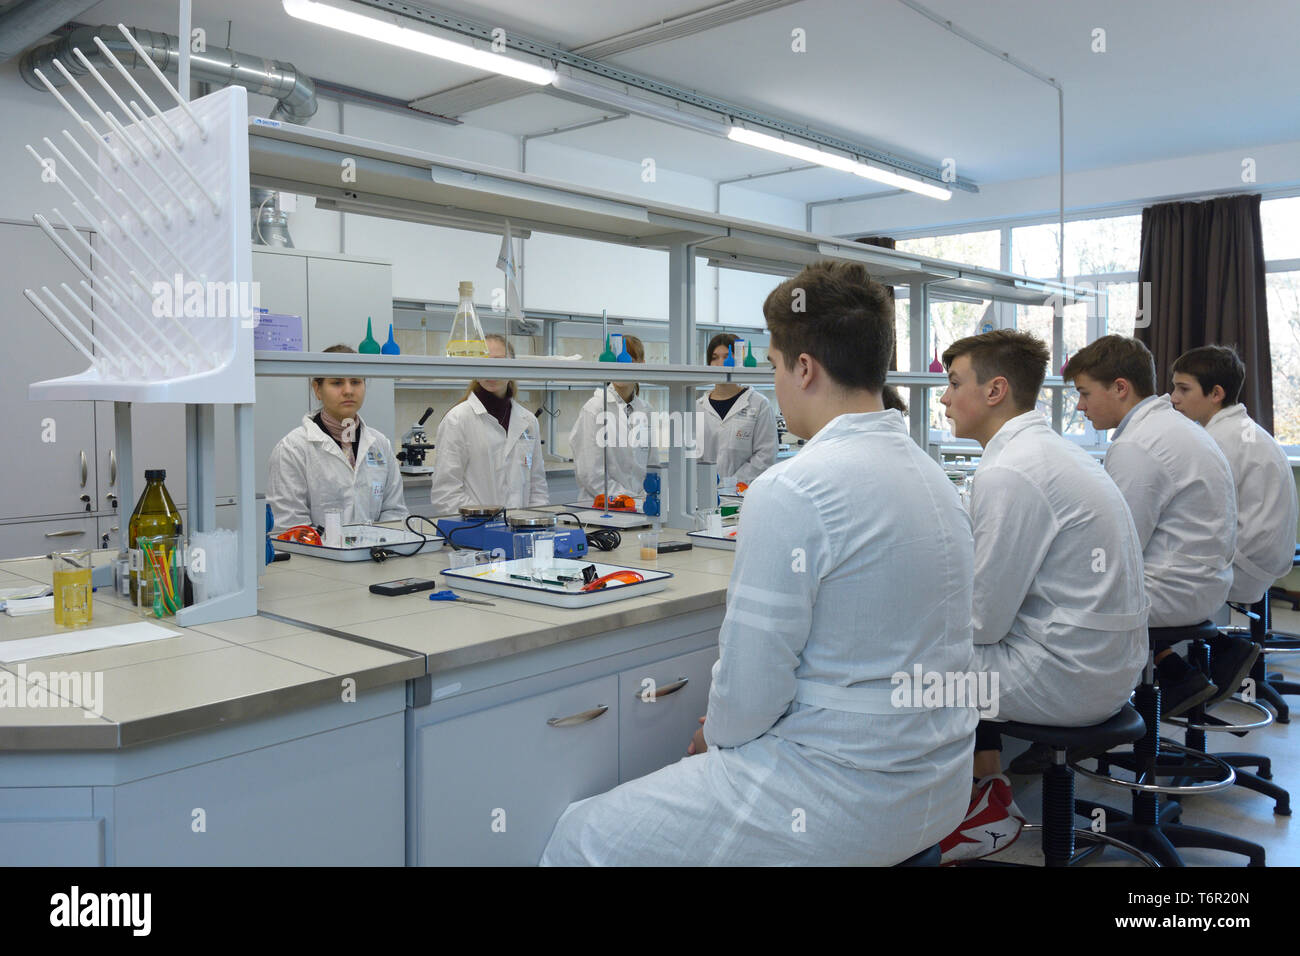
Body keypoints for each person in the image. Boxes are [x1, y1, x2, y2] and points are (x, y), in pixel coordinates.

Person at [541, 261, 977, 866]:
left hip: (841, 795)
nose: (772, 384)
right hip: (936, 786)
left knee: (580, 834)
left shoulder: (794, 489)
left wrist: (709, 738)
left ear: (804, 368)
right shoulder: (935, 481)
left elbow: (749, 693)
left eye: (773, 366)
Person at [937, 330, 1148, 861]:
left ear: (995, 391)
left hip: (1069, 678)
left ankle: (966, 809)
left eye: (954, 382)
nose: (943, 398)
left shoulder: (1010, 470)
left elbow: (983, 621)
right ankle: (985, 789)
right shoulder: (1049, 450)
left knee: (910, 668)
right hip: (1106, 664)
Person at [1063, 335, 1238, 717]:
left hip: (1171, 592)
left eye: (1084, 393)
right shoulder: (1172, 427)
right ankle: (1174, 672)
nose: (1080, 406)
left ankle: (1072, 723)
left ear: (1120, 388)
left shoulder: (1138, 444)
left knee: (1054, 596)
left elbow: (1119, 546)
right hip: (1204, 585)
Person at [1171, 345, 1298, 687]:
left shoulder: (1218, 441)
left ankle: (1180, 677)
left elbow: (1190, 513)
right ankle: (1213, 651)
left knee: (1138, 578)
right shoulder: (1240, 430)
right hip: (1263, 558)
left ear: (1216, 393)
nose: (1173, 398)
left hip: (1245, 565)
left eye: (1183, 389)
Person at [266, 344, 408, 532]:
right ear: (317, 389)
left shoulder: (380, 444)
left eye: (356, 381)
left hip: (376, 554)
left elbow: (395, 512)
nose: (348, 390)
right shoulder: (292, 449)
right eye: (337, 382)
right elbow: (290, 526)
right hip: (317, 558)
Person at [428, 333, 549, 515]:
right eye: (483, 361)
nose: (491, 370)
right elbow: (445, 494)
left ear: (513, 368)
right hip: (476, 533)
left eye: (499, 361)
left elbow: (537, 487)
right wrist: (488, 523)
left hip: (522, 530)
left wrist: (534, 524)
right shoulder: (458, 419)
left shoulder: (528, 421)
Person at [569, 335, 658, 502]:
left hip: (641, 508)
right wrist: (629, 500)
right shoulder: (595, 409)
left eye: (628, 359)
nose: (621, 366)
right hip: (602, 509)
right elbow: (591, 475)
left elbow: (653, 468)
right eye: (616, 360)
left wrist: (647, 499)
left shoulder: (646, 411)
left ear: (641, 365)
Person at [696, 333, 778, 489]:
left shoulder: (759, 404)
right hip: (701, 494)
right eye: (714, 358)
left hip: (743, 495)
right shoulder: (695, 408)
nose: (720, 364)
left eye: (727, 357)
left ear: (738, 361)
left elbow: (765, 456)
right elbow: (688, 457)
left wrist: (729, 484)